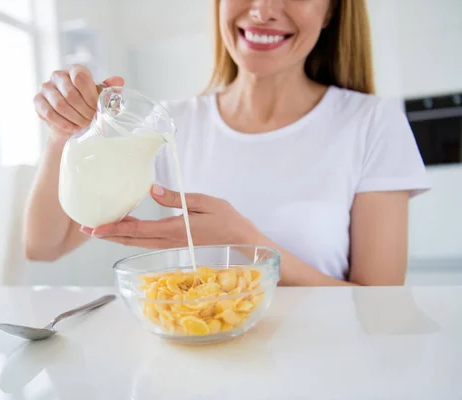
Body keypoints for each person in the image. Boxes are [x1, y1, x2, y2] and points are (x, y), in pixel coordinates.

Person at [25, 0, 429, 286]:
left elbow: (381, 311)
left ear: (332, 11)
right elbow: (44, 246)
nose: (264, 9)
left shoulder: (372, 123)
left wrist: (246, 244)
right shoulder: (166, 125)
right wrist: (64, 134)